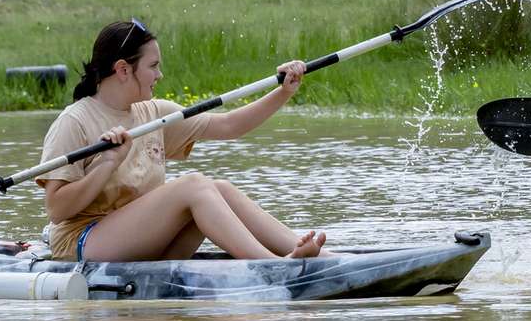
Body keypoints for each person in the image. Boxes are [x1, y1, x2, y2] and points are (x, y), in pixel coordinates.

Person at [38, 18, 326, 263]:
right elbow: (57, 209)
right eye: (153, 66)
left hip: (139, 241)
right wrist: (108, 163)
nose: (159, 75)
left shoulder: (156, 113)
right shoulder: (73, 121)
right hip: (83, 243)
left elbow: (229, 126)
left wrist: (284, 92)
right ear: (124, 69)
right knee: (194, 186)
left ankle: (317, 256)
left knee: (219, 188)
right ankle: (273, 265)